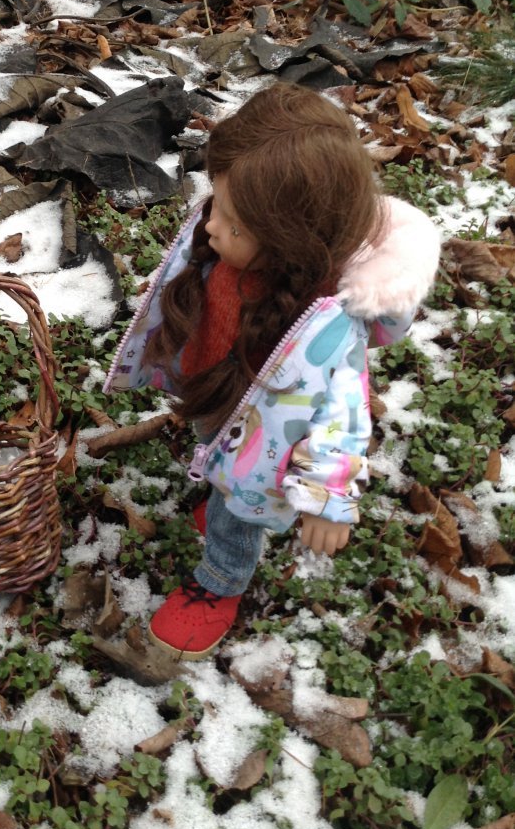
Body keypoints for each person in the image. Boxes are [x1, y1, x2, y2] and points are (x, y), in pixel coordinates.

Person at [103, 83, 440, 660]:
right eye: (216, 205)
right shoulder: (224, 248)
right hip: (217, 394)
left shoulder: (330, 321)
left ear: (290, 239)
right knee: (214, 448)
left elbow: (346, 412)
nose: (211, 225)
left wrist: (330, 496)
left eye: (231, 222)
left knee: (239, 512)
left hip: (269, 442)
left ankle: (220, 583)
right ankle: (218, 480)